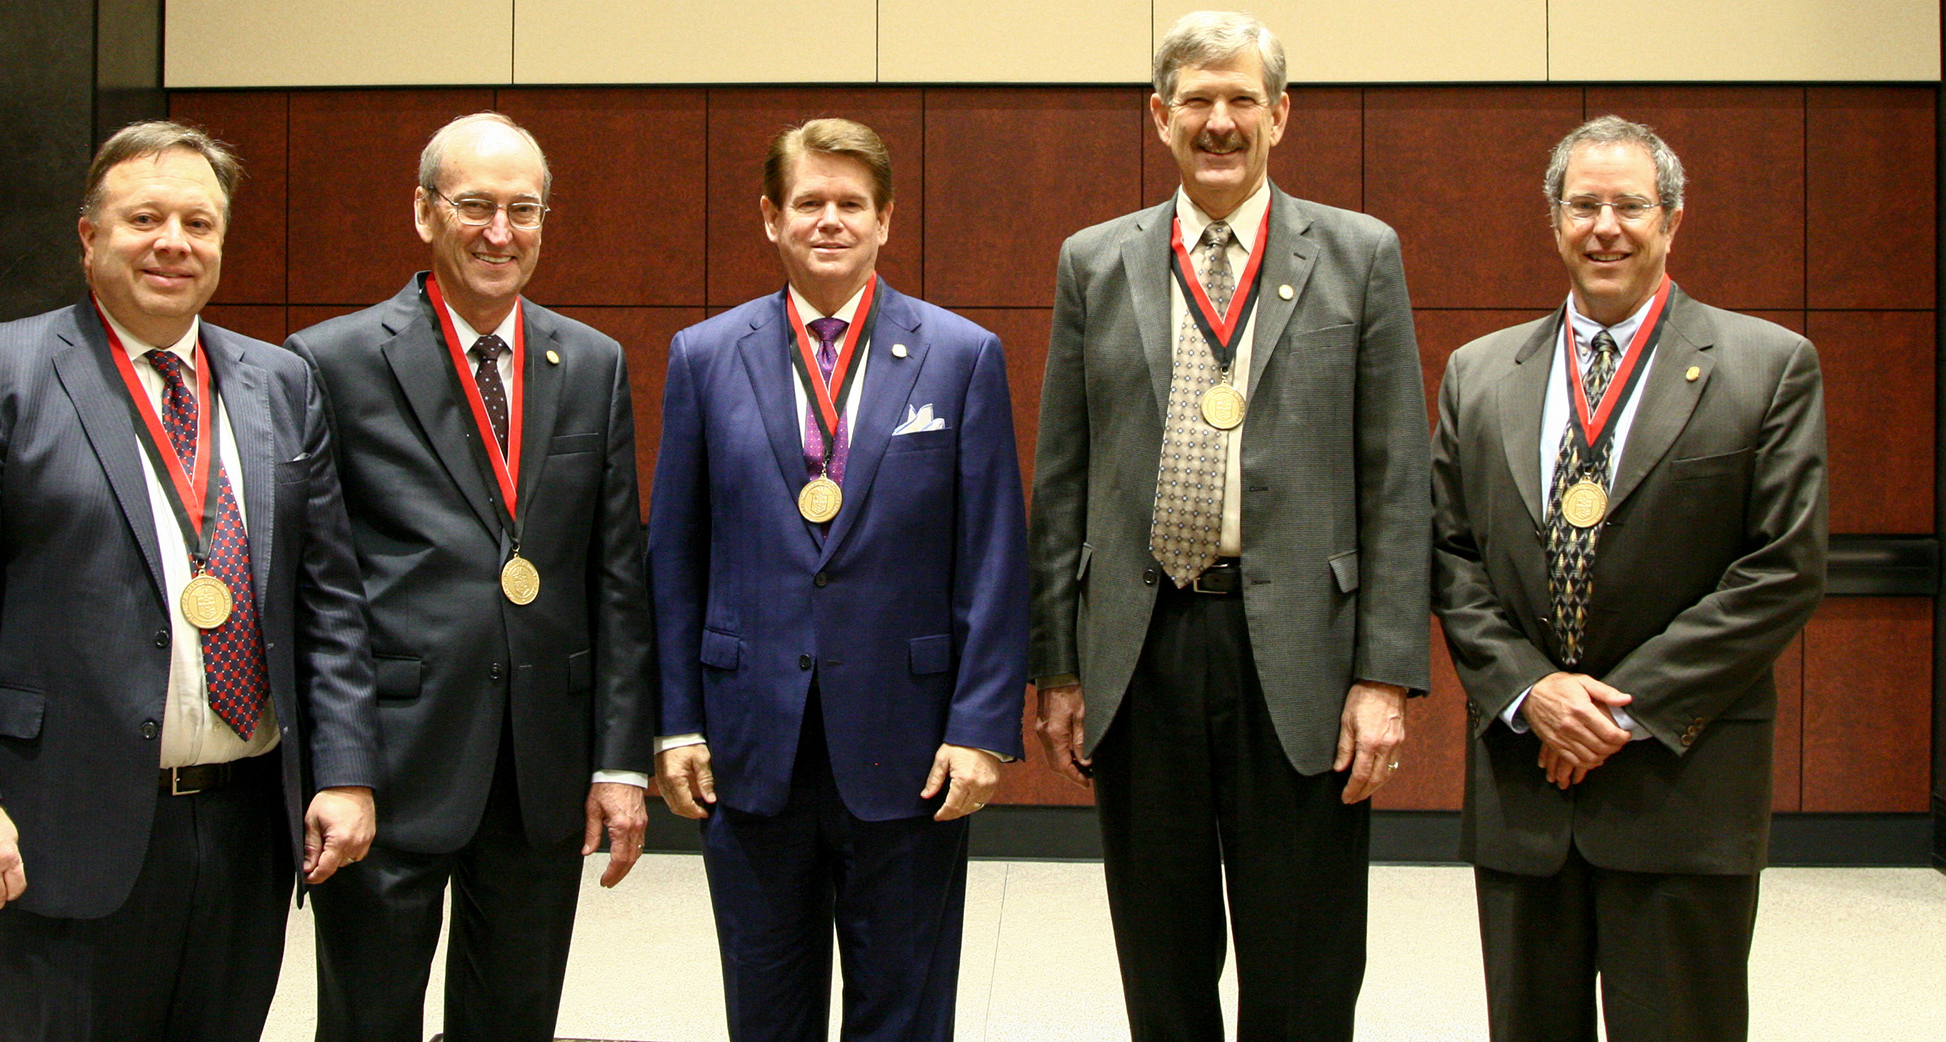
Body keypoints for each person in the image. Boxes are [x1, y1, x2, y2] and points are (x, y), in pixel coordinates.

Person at [0, 120, 379, 1042]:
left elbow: (329, 599)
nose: (172, 243)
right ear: (89, 235)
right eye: (144, 217)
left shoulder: (279, 383)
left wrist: (346, 769)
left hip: (246, 825)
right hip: (59, 821)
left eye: (198, 222)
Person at [1027, 11, 1430, 1039]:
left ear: (1281, 114)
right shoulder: (1094, 261)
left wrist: (1385, 676)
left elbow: (1394, 481)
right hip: (1143, 643)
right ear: (1159, 117)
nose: (1219, 121)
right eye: (1196, 101)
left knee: (1304, 959)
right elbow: (1063, 477)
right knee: (1160, 958)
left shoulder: (1359, 254)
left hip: (1302, 652)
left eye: (1240, 99)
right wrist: (1059, 666)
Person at [1432, 115, 1827, 1042]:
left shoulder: (1766, 367)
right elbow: (1448, 556)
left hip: (1681, 779)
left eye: (1630, 206)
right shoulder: (1479, 374)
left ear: (1672, 220)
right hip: (1526, 782)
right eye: (1584, 205)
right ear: (1554, 221)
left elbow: (1782, 568)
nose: (1605, 226)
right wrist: (1533, 693)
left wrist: (1614, 707)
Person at [649, 117, 1029, 1042]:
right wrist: (675, 721)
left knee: (903, 1011)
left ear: (886, 220)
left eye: (851, 203)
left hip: (913, 750)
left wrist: (982, 729)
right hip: (747, 744)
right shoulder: (704, 357)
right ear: (771, 218)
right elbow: (674, 559)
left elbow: (993, 556)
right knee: (765, 1010)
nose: (830, 220)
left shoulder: (960, 354)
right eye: (809, 202)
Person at [286, 111, 656, 1042]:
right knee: (368, 1018)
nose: (501, 232)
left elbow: (616, 576)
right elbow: (312, 589)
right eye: (476, 206)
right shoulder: (329, 362)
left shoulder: (593, 364)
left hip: (541, 765)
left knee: (516, 1018)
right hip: (390, 762)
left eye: (523, 210)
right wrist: (335, 767)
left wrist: (618, 761)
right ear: (423, 212)